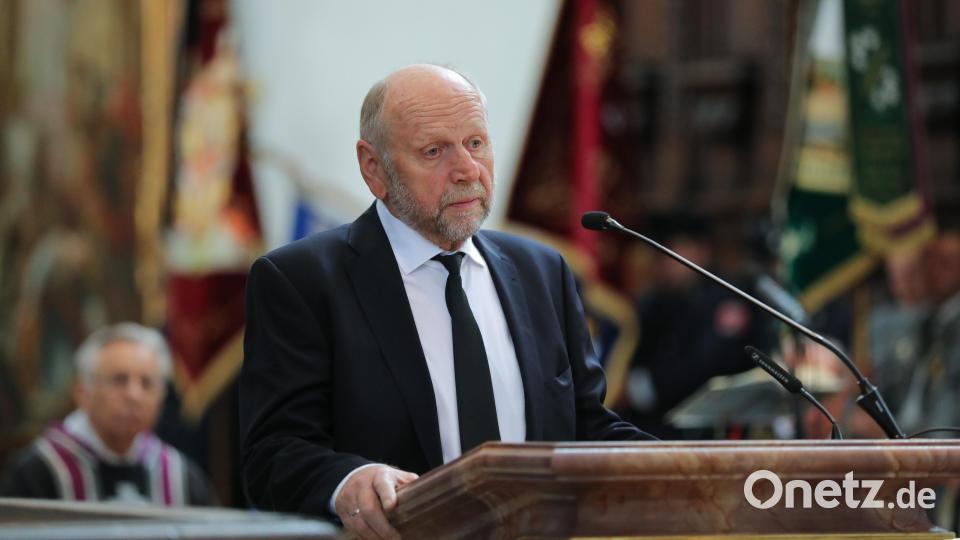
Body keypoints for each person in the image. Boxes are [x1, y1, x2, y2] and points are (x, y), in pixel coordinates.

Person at [238, 64, 654, 539]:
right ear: (374, 168)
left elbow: (587, 428)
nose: (466, 171)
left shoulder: (542, 270)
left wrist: (694, 469)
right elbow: (271, 454)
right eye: (434, 151)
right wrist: (347, 482)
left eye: (476, 143)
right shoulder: (302, 280)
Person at [0, 322, 215, 506]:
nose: (134, 396)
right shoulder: (39, 471)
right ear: (82, 392)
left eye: (147, 383)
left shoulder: (180, 475)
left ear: (162, 398)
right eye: (119, 380)